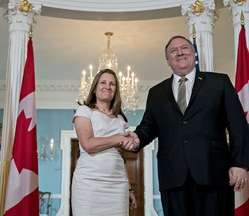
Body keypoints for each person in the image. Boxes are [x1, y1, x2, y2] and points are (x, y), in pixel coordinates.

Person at [123, 35, 249, 216]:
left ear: (193, 54)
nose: (179, 52)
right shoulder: (156, 92)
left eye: (184, 48)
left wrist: (240, 164)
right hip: (173, 177)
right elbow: (148, 127)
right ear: (168, 60)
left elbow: (238, 126)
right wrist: (136, 137)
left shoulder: (219, 82)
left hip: (213, 173)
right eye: (173, 51)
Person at [71, 68, 138, 215]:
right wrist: (118, 138)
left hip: (117, 184)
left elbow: (120, 157)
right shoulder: (84, 111)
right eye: (103, 82)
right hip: (89, 183)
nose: (108, 86)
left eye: (112, 84)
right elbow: (88, 145)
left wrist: (128, 188)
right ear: (95, 88)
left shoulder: (120, 120)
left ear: (116, 90)